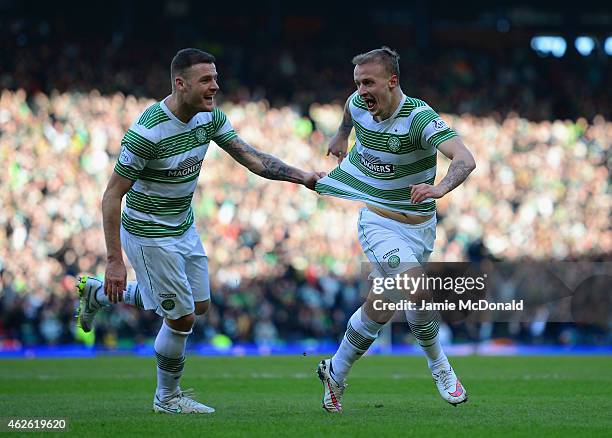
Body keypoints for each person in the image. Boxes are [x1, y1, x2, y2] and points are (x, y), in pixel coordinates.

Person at [75, 48, 324, 414]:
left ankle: (97, 294)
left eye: (216, 78)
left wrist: (301, 176)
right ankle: (167, 398)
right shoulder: (147, 132)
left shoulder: (209, 120)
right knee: (181, 316)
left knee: (199, 305)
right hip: (148, 232)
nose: (215, 87)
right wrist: (114, 260)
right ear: (180, 83)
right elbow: (112, 196)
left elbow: (252, 158)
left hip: (183, 227)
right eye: (206, 80)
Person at [315, 47, 476, 412]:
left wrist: (441, 188)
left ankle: (335, 371)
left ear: (393, 81)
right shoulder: (357, 105)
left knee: (382, 306)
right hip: (379, 221)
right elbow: (347, 112)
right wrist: (341, 137)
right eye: (357, 83)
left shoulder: (418, 119)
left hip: (421, 227)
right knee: (416, 286)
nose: (360, 91)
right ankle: (441, 368)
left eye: (368, 82)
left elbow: (465, 158)